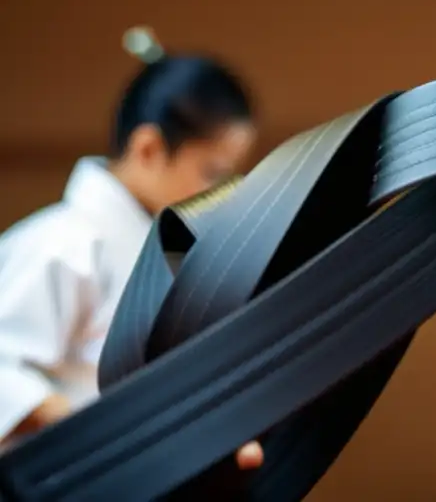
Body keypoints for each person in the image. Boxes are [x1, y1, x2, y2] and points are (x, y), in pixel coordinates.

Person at [0, 27, 263, 469]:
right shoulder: (62, 242)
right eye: (213, 171)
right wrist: (118, 434)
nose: (224, 190)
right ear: (148, 149)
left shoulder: (173, 255)